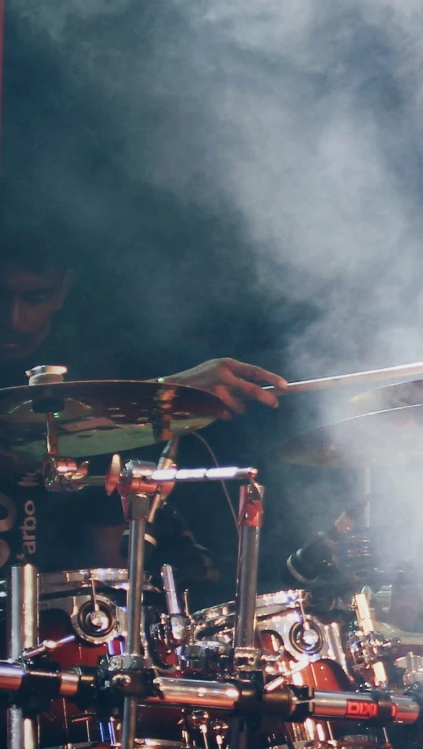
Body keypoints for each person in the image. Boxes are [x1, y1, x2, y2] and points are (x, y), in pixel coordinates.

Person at [2, 240, 286, 570]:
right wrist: (168, 395)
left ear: (65, 288)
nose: (14, 320)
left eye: (36, 297)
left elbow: (107, 536)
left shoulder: (94, 358)